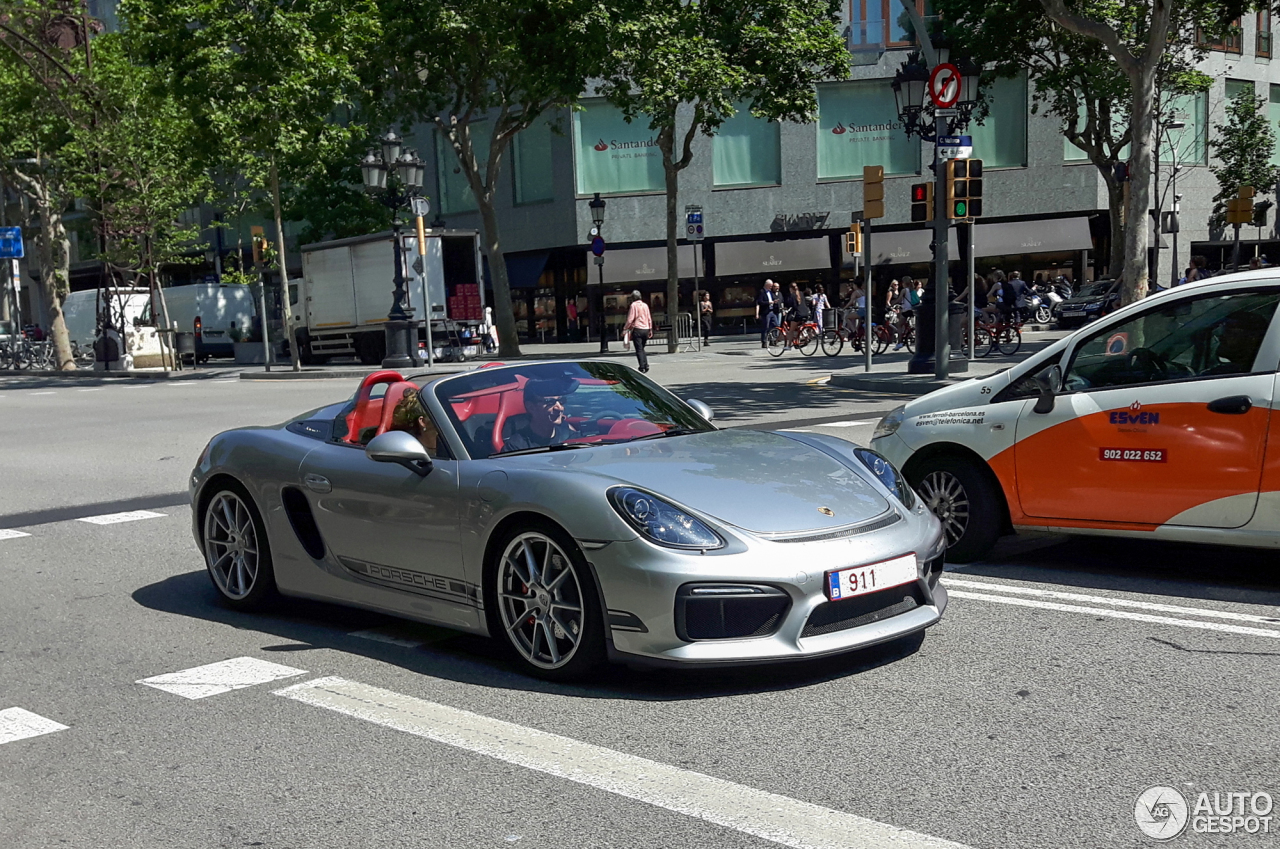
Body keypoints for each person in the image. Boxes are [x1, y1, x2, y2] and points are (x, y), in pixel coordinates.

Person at [502, 377, 580, 452]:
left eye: (561, 401)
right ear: (531, 407)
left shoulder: (569, 435)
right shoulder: (515, 447)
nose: (560, 408)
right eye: (549, 402)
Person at [1202, 310, 1271, 376]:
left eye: (1230, 333)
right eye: (1223, 332)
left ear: (1252, 339)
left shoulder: (1227, 375)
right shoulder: (1227, 371)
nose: (1221, 338)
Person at [623, 290, 652, 372]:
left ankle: (642, 366)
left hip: (638, 329)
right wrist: (650, 329)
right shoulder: (645, 305)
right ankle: (646, 364)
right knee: (642, 348)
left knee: (639, 349)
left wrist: (625, 328)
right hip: (646, 329)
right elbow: (649, 318)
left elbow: (630, 319)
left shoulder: (633, 305)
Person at [756, 279, 781, 347]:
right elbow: (760, 302)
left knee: (776, 325)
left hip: (772, 310)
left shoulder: (770, 292)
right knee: (765, 327)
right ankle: (764, 341)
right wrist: (768, 303)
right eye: (770, 286)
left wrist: (774, 302)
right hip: (766, 311)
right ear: (767, 285)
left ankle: (773, 340)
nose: (771, 287)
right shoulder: (762, 292)